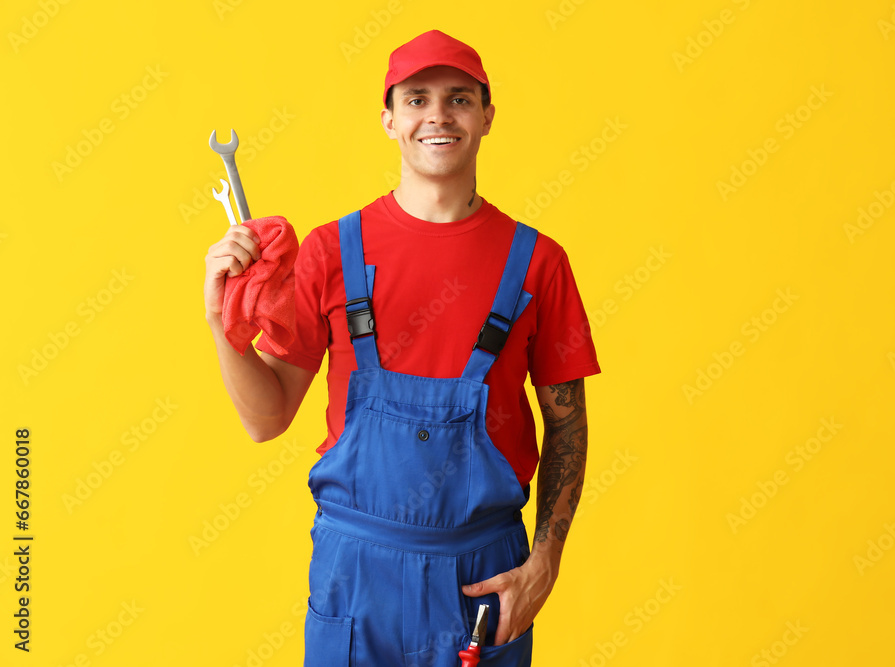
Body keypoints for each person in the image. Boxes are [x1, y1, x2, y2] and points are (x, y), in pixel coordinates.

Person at [203, 29, 600, 666]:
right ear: (389, 120)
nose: (437, 116)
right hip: (355, 578)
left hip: (483, 579)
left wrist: (544, 565)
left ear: (487, 116)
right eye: (416, 99)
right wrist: (221, 321)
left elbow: (568, 427)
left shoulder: (539, 264)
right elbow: (265, 418)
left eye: (458, 99)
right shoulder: (331, 253)